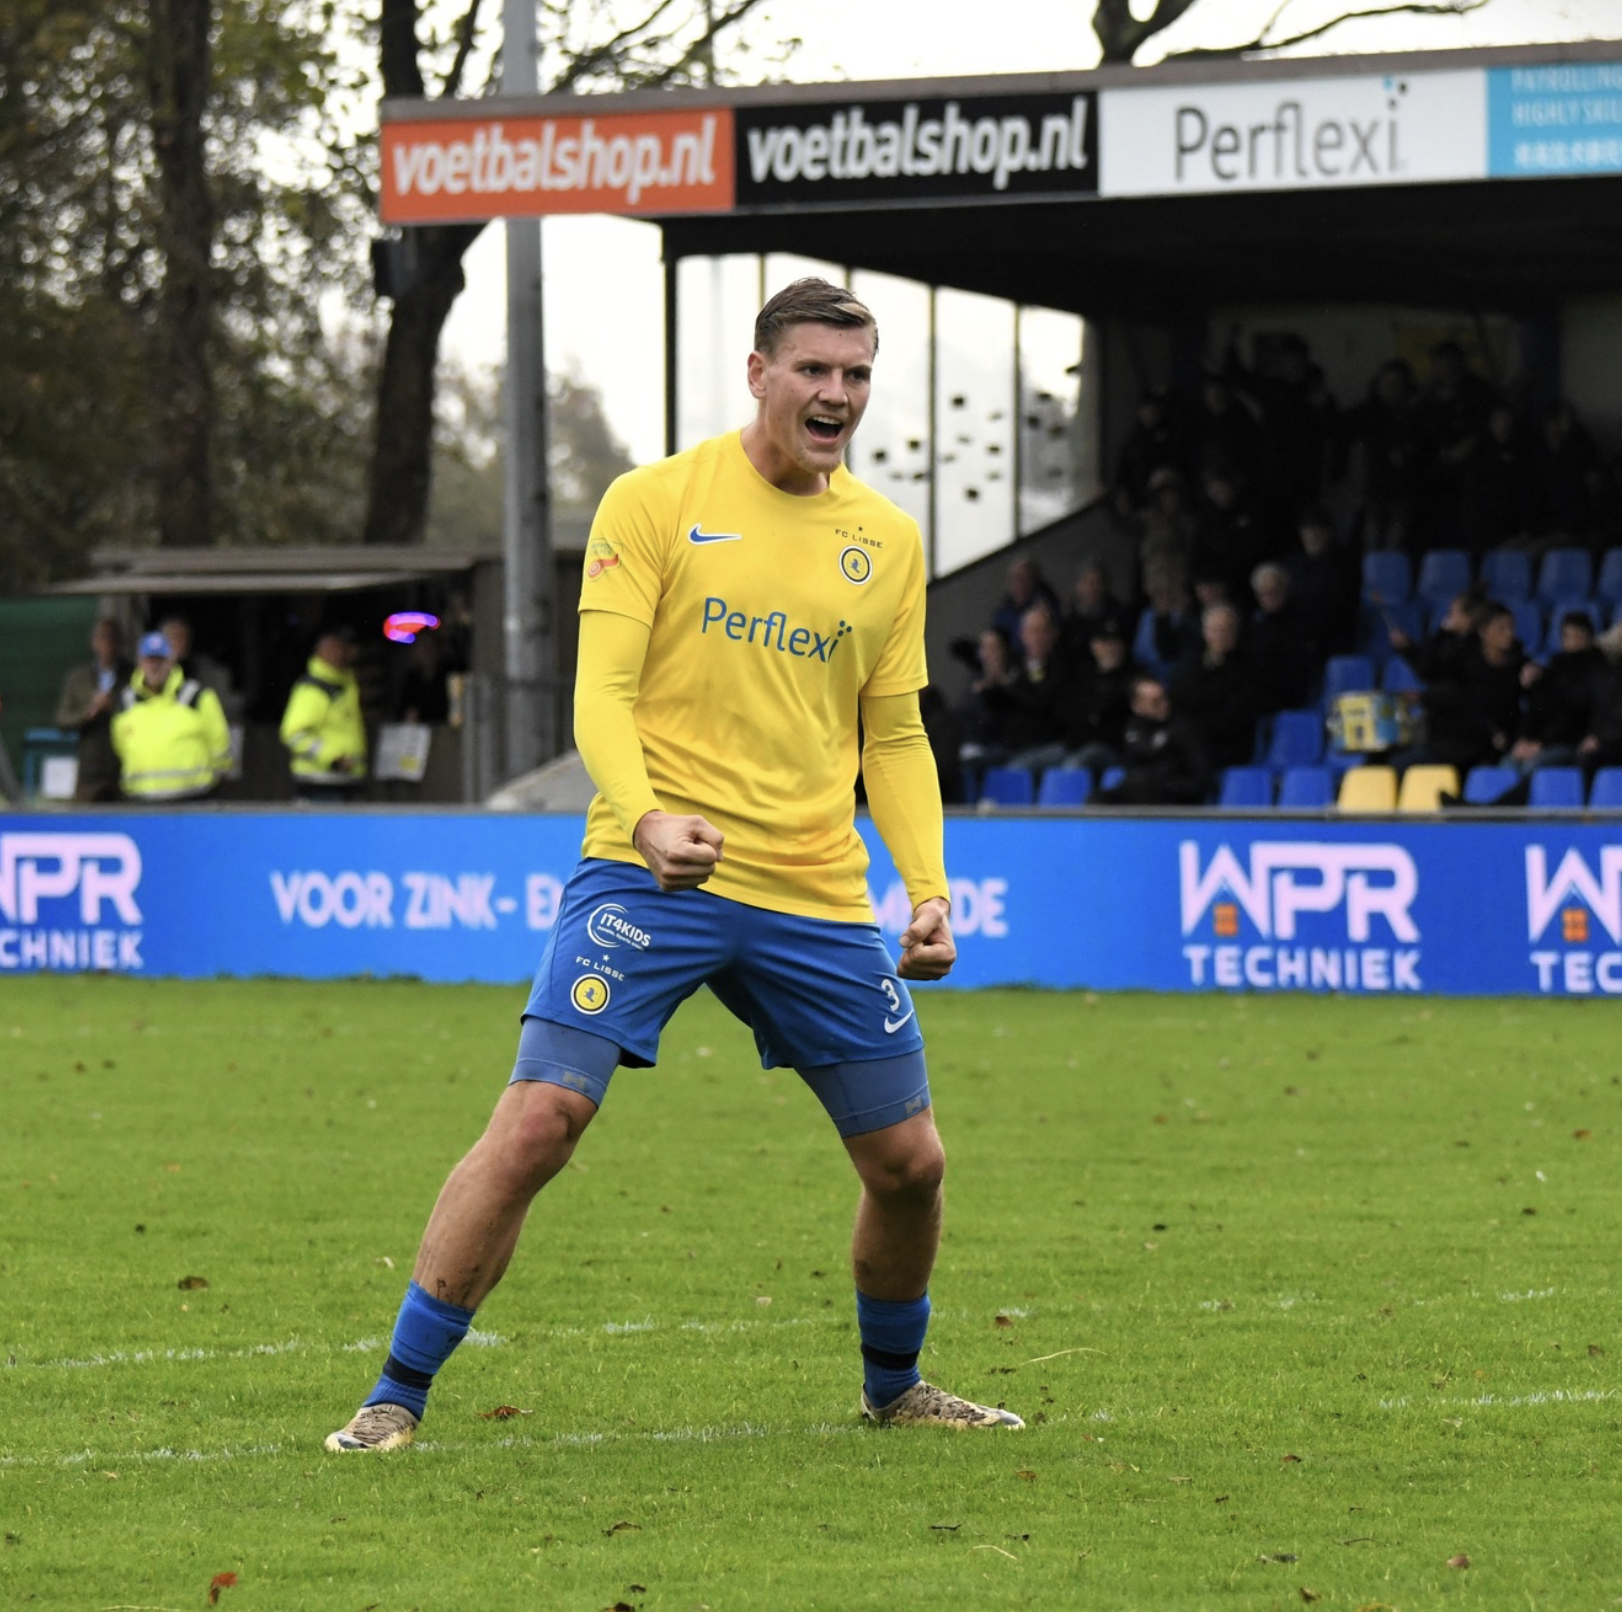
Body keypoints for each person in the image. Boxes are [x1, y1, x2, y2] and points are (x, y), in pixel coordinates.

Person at [325, 278, 1023, 1455]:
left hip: (812, 889)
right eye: (813, 369)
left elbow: (893, 733)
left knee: (909, 1165)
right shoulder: (653, 501)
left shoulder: (886, 542)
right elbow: (600, 692)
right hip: (650, 871)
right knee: (540, 1118)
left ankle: (894, 1387)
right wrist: (645, 817)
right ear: (757, 374)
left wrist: (928, 888)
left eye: (855, 373)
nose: (836, 394)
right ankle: (394, 1394)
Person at [110, 631, 231, 802]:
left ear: (171, 661)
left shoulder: (198, 697)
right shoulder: (126, 702)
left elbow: (220, 744)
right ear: (139, 662)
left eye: (160, 660)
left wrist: (214, 782)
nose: (154, 666)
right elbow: (119, 746)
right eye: (149, 659)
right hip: (140, 801)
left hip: (193, 799)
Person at [280, 626, 368, 802]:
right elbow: (294, 734)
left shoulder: (345, 686)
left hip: (345, 781)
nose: (340, 653)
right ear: (321, 653)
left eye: (342, 647)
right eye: (334, 648)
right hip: (319, 783)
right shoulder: (313, 689)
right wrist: (332, 758)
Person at [54, 618, 132, 803]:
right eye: (103, 638)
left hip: (123, 770)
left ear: (121, 644)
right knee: (85, 818)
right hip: (89, 771)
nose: (108, 645)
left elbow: (145, 715)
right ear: (94, 642)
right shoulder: (78, 678)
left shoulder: (132, 675)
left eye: (113, 639)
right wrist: (88, 712)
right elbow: (62, 719)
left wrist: (114, 707)